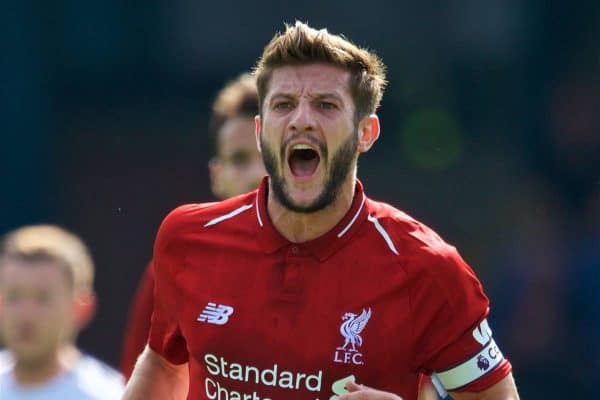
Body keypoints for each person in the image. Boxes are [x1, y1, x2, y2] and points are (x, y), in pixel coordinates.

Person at [123, 22, 520, 400]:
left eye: (326, 105)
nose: (301, 120)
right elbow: (164, 363)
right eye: (284, 104)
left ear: (365, 133)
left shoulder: (427, 268)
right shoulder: (188, 237)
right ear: (261, 131)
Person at [119, 72, 266, 379]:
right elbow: (142, 382)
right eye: (239, 159)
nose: (258, 174)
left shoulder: (352, 262)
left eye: (270, 156)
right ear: (216, 174)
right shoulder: (178, 264)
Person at [0, 224, 124, 399]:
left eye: (43, 299)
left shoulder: (110, 394)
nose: (26, 314)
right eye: (14, 297)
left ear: (81, 308)